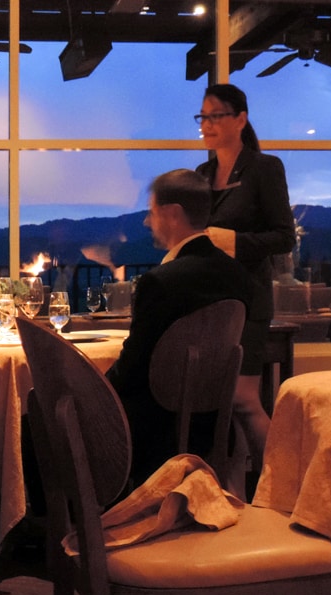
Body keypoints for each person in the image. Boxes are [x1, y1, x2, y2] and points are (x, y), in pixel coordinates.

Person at [105, 168, 252, 485]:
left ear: (172, 214)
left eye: (152, 212)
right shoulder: (237, 274)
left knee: (41, 418)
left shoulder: (160, 281)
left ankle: (65, 522)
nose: (147, 222)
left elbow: (132, 372)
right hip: (211, 428)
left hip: (152, 431)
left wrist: (95, 389)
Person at [194, 83, 296, 477]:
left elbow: (283, 236)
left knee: (243, 400)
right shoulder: (202, 173)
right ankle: (233, 491)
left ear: (240, 118)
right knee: (218, 404)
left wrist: (235, 241)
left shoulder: (264, 168)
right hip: (208, 303)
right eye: (202, 116)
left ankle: (282, 483)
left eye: (215, 115)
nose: (206, 124)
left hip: (248, 302)